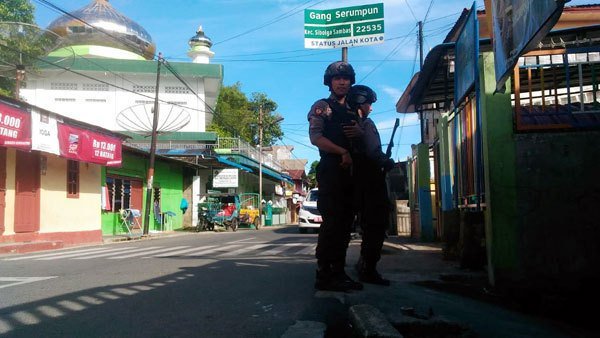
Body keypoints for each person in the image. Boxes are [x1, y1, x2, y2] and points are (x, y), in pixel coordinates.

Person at [308, 61, 363, 292]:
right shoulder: (322, 107)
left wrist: (359, 132)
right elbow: (316, 137)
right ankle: (324, 274)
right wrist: (341, 151)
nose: (342, 82)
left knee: (344, 226)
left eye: (346, 78)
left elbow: (360, 140)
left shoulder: (353, 110)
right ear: (329, 82)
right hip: (331, 169)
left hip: (350, 173)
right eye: (337, 78)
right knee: (332, 224)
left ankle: (338, 272)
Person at [345, 84, 394, 286]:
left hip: (353, 183)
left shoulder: (347, 124)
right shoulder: (366, 125)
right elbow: (374, 153)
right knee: (376, 226)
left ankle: (361, 265)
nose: (371, 108)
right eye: (369, 104)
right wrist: (387, 162)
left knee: (361, 225)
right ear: (360, 104)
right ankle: (368, 268)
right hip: (371, 183)